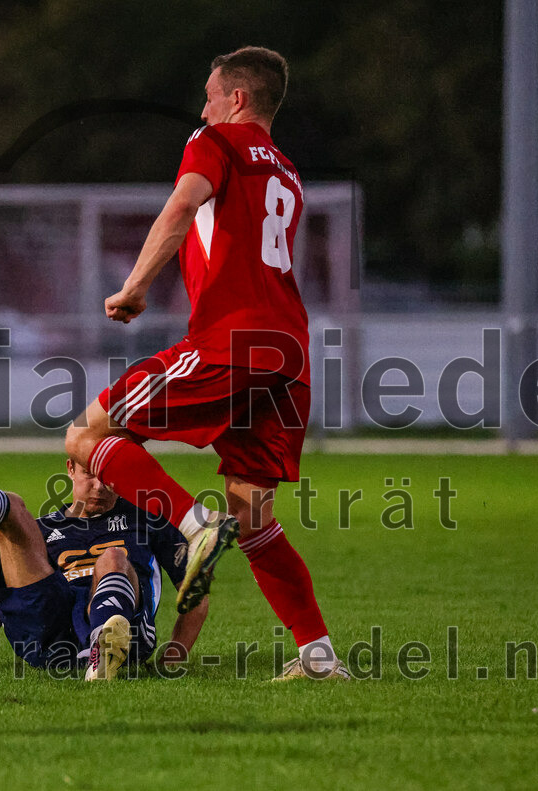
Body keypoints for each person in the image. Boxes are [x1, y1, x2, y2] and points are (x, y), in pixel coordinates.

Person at [64, 46, 348, 679]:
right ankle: (318, 656)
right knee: (253, 514)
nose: (203, 107)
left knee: (86, 432)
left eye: (211, 94)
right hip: (289, 353)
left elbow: (182, 206)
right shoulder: (288, 173)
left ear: (237, 100)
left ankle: (192, 527)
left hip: (234, 341)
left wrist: (135, 285)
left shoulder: (215, 143)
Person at [0, 386, 209, 681]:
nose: (99, 485)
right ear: (70, 469)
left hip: (126, 629)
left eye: (107, 475)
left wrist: (174, 655)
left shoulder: (149, 518)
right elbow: (0, 602)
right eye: (89, 474)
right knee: (13, 511)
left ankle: (103, 650)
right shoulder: (46, 527)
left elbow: (194, 591)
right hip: (50, 635)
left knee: (113, 558)